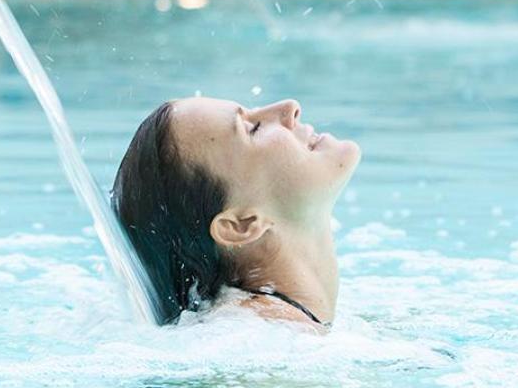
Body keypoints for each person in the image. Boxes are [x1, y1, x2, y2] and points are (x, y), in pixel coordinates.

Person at [111, 97, 359, 328]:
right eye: (254, 129)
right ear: (241, 224)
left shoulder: (268, 331)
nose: (289, 107)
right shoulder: (268, 334)